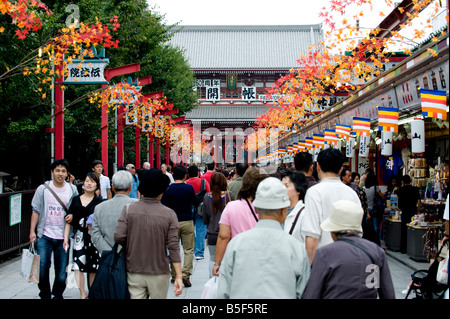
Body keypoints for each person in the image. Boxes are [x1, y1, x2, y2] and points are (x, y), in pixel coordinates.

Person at [217, 177, 310, 298]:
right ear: (284, 211)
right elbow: (303, 291)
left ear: (256, 209)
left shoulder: (236, 244)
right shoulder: (297, 248)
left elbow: (223, 291)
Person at [302, 200, 395, 299]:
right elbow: (388, 294)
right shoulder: (376, 251)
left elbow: (312, 294)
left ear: (333, 230)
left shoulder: (324, 254)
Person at [114, 168, 183, 299]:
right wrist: (179, 275)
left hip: (134, 268)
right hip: (159, 271)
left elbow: (118, 236)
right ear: (162, 190)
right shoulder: (169, 214)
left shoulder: (129, 209)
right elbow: (173, 246)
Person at [300, 148, 361, 265]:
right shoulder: (352, 193)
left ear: (317, 166)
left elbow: (312, 235)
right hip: (350, 261)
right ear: (341, 170)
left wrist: (308, 270)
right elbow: (358, 232)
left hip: (324, 262)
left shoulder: (315, 192)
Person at [29, 159, 79, 299]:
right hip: (44, 235)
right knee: (43, 268)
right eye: (57, 170)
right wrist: (32, 231)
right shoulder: (43, 189)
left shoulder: (72, 189)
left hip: (63, 236)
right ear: (52, 172)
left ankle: (58, 294)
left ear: (67, 173)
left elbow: (76, 209)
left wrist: (72, 216)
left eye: (63, 171)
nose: (60, 174)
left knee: (62, 271)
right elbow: (36, 210)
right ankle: (44, 293)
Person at [212, 166, 269, 276]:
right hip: (263, 257)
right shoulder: (269, 207)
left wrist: (217, 263)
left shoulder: (231, 207)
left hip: (238, 259)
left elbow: (224, 236)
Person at [63, 172, 103, 299]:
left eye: (92, 181)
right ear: (83, 183)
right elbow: (68, 220)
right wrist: (65, 239)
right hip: (79, 238)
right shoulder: (75, 200)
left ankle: (92, 293)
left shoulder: (100, 202)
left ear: (97, 185)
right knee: (78, 266)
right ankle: (82, 294)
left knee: (93, 267)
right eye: (87, 181)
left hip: (94, 238)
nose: (89, 184)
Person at [161, 165, 201, 287]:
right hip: (187, 221)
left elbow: (163, 206)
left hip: (172, 222)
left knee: (174, 249)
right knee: (188, 249)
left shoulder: (168, 190)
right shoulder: (189, 188)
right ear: (185, 175)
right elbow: (195, 202)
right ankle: (185, 273)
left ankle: (174, 275)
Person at [91, 170, 138, 254]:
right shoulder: (138, 206)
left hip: (108, 259)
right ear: (130, 187)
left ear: (112, 187)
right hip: (132, 256)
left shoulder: (99, 208)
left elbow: (95, 234)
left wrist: (109, 253)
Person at [202, 172, 235, 277]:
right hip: (227, 234)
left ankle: (212, 281)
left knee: (212, 259)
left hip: (212, 233)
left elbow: (205, 218)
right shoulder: (229, 195)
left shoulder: (207, 197)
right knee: (226, 259)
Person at [185, 165, 211, 260]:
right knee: (201, 230)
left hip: (188, 208)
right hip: (201, 208)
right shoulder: (203, 182)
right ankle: (199, 253)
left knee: (189, 230)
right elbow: (208, 195)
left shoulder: (186, 183)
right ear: (197, 173)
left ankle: (189, 250)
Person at [281, 170, 308, 242]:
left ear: (298, 190)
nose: (282, 189)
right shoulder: (277, 212)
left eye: (286, 186)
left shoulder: (305, 214)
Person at [360, 168, 384, 246]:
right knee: (376, 227)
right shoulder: (375, 188)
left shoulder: (363, 189)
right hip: (374, 210)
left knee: (367, 228)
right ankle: (377, 244)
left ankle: (367, 243)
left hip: (366, 210)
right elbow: (382, 197)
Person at [397, 174, 421, 254]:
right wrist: (418, 210)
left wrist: (400, 207)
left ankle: (403, 249)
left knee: (403, 230)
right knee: (412, 229)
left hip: (404, 212)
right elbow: (418, 201)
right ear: (410, 181)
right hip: (413, 211)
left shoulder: (401, 190)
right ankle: (412, 249)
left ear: (403, 182)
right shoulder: (415, 189)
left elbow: (398, 202)